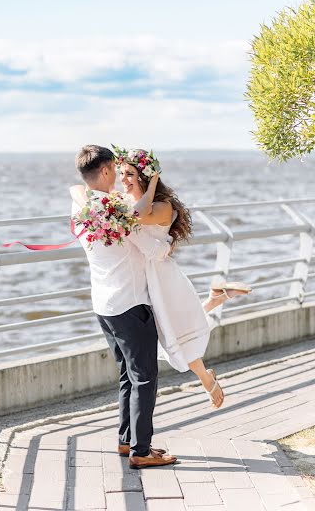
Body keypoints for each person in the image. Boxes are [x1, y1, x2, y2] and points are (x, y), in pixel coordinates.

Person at [70, 146, 251, 410]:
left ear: (147, 176)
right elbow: (76, 189)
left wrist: (150, 182)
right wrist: (95, 204)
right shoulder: (120, 201)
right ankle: (214, 303)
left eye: (131, 174)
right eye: (121, 173)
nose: (124, 179)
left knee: (175, 336)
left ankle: (202, 377)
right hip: (142, 280)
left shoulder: (161, 207)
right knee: (174, 335)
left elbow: (138, 217)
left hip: (161, 277)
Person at [71, 144, 178, 469]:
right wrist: (169, 241)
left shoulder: (82, 206)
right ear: (105, 171)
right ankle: (141, 451)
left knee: (126, 375)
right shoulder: (112, 210)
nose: (119, 176)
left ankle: (127, 440)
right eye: (116, 170)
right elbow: (153, 251)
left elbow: (75, 189)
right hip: (130, 305)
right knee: (145, 377)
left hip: (104, 305)